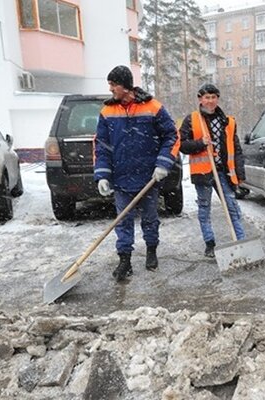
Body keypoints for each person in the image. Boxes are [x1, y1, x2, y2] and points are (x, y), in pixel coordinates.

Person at [94, 65, 178, 281]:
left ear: (125, 86)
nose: (110, 88)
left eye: (114, 84)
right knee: (123, 220)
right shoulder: (107, 112)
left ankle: (151, 251)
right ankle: (125, 260)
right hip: (121, 178)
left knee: (150, 218)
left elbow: (172, 136)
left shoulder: (153, 107)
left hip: (148, 176)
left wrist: (163, 163)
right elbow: (101, 146)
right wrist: (103, 175)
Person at [179, 83, 246, 258]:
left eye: (213, 97)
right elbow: (182, 145)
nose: (210, 101)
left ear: (217, 98)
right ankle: (210, 243)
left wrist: (240, 174)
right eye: (206, 97)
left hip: (223, 172)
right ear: (200, 99)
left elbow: (236, 149)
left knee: (232, 206)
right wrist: (200, 143)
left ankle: (241, 241)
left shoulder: (228, 122)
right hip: (202, 173)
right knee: (204, 208)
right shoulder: (191, 119)